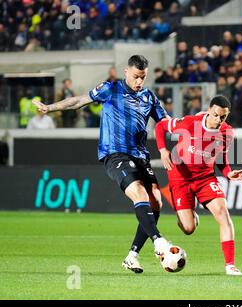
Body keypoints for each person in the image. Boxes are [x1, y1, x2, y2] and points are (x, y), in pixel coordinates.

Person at [32, 55, 174, 274]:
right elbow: (79, 101)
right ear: (126, 71)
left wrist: (191, 127)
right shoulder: (111, 88)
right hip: (114, 153)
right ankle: (158, 241)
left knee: (156, 201)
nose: (139, 82)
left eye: (143, 78)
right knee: (139, 193)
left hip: (140, 154)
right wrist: (50, 108)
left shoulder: (149, 97)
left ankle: (132, 256)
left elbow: (166, 123)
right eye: (136, 76)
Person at [154, 95, 242, 276]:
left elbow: (221, 160)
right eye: (216, 115)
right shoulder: (189, 123)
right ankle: (189, 214)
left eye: (223, 117)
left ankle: (230, 265)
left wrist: (228, 173)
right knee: (188, 228)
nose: (219, 120)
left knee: (223, 213)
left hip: (205, 178)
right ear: (209, 111)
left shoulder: (227, 133)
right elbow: (160, 126)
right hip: (179, 177)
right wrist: (163, 150)